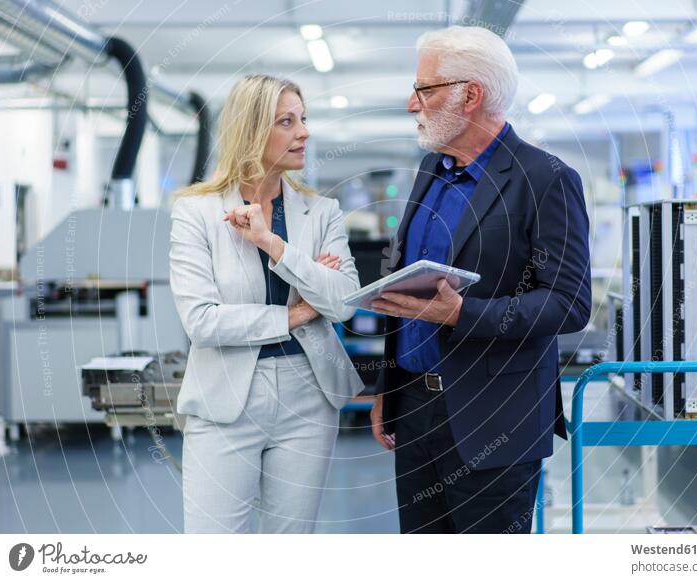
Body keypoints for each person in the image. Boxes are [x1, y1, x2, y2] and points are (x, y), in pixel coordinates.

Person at [370, 26, 592, 534]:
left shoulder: (546, 179)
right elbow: (409, 290)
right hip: (416, 410)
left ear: (470, 95)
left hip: (495, 420)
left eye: (423, 89)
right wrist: (388, 388)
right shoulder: (432, 169)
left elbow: (570, 303)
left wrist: (461, 313)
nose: (411, 103)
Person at [169, 75, 364, 533]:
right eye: (287, 121)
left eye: (303, 119)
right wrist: (295, 312)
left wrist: (272, 244)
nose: (304, 132)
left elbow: (343, 303)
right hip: (224, 396)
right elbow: (202, 322)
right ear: (253, 130)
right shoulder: (196, 213)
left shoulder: (323, 212)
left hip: (309, 396)